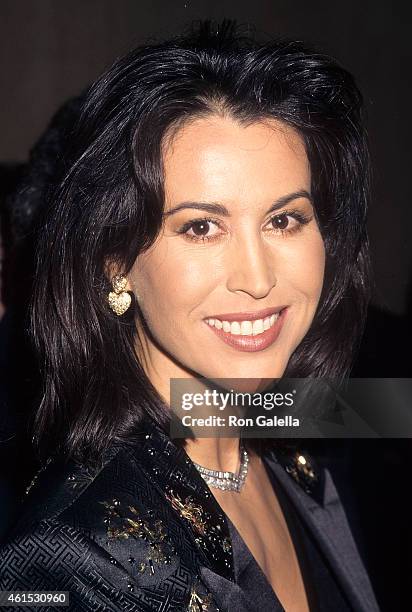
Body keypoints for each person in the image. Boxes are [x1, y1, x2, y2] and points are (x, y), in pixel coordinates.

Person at [0, 21, 380, 612]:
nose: (257, 279)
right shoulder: (76, 559)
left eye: (285, 220)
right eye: (201, 227)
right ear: (115, 265)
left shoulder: (296, 458)